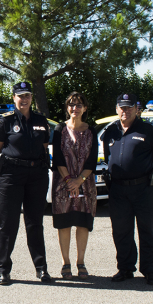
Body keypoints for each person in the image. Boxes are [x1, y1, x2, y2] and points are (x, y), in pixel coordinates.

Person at [100, 93, 153, 285]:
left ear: (136, 109)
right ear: (116, 109)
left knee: (149, 230)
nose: (125, 111)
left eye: (129, 107)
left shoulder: (149, 131)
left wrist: (148, 176)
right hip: (118, 190)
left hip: (145, 189)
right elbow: (108, 157)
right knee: (121, 231)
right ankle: (125, 268)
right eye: (122, 107)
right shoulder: (110, 132)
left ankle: (150, 270)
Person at [0, 82, 52, 285]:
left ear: (31, 98)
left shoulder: (41, 120)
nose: (23, 99)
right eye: (20, 96)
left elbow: (44, 146)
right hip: (11, 176)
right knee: (8, 224)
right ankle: (3, 269)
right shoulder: (5, 122)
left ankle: (41, 268)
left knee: (35, 223)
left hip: (36, 176)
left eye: (27, 96)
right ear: (14, 98)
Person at [51, 91, 98, 280]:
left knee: (82, 223)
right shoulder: (59, 129)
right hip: (63, 183)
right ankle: (66, 262)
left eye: (79, 105)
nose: (74, 108)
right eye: (71, 104)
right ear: (67, 108)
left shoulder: (91, 130)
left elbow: (92, 160)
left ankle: (81, 262)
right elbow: (57, 158)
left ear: (85, 108)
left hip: (85, 185)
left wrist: (80, 180)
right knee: (64, 224)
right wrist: (70, 180)